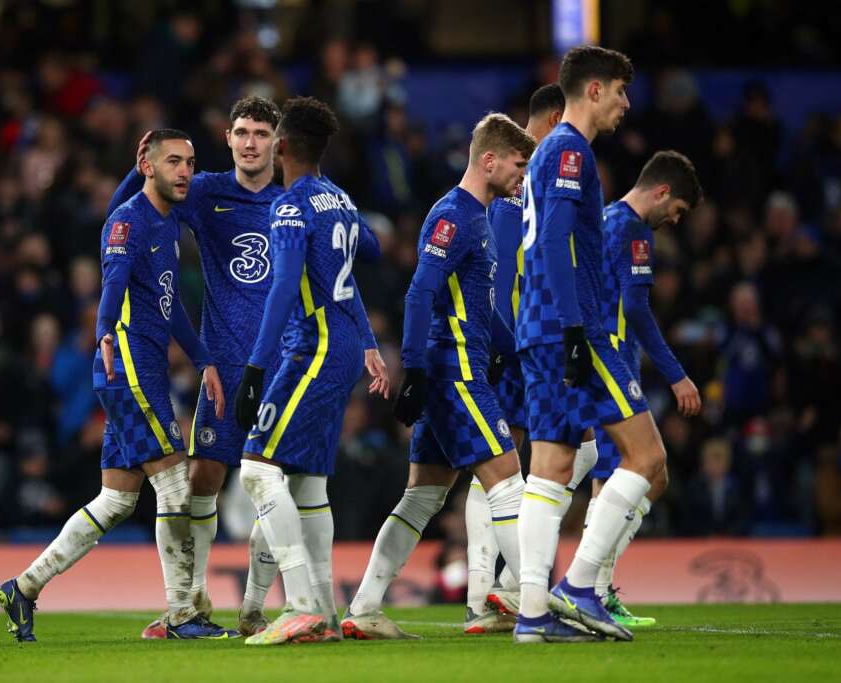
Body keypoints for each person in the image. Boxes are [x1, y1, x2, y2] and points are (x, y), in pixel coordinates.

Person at [0, 129, 235, 642]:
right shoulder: (129, 221)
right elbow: (113, 283)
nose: (186, 171)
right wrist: (104, 329)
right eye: (173, 161)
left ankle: (24, 587)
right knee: (173, 482)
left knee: (118, 499)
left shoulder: (167, 225)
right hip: (128, 365)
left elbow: (169, 310)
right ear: (148, 166)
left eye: (191, 162)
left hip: (144, 365)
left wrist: (203, 360)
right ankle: (182, 615)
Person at [108, 97, 304, 639]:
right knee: (202, 479)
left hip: (283, 366)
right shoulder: (206, 190)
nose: (250, 142)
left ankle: (255, 606)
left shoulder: (296, 199)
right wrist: (142, 161)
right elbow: (129, 211)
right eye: (242, 131)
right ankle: (191, 601)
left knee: (274, 483)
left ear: (277, 142)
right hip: (224, 364)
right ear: (227, 136)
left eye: (261, 134)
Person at [341, 113, 533, 640]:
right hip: (455, 372)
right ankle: (537, 605)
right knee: (509, 486)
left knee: (423, 497)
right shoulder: (454, 214)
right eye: (518, 166)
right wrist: (418, 370)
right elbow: (420, 292)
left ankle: (363, 608)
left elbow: (480, 305)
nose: (522, 177)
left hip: (457, 367)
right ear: (489, 160)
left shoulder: (482, 217)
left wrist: (513, 352)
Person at [232, 96, 390, 646]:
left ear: (282, 147)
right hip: (343, 346)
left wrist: (255, 366)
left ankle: (300, 607)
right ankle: (323, 605)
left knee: (255, 467)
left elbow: (282, 289)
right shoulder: (340, 199)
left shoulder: (290, 205)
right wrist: (369, 340)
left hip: (314, 347)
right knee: (309, 483)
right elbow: (367, 252)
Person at [513, 45, 651, 644]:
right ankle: (581, 584)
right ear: (593, 91)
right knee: (648, 458)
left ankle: (532, 614)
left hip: (537, 327)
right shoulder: (569, 150)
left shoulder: (548, 152)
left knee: (550, 470)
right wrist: (575, 328)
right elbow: (556, 246)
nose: (626, 103)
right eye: (620, 90)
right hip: (573, 327)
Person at [466, 84, 590, 630]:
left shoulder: (538, 184)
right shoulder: (518, 192)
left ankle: (503, 588)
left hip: (531, 339)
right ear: (556, 118)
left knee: (524, 464)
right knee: (506, 467)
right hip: (519, 344)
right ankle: (493, 590)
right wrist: (505, 341)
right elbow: (495, 276)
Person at [589, 149, 703, 627]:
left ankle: (592, 589)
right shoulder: (634, 232)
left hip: (601, 359)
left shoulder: (602, 220)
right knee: (648, 471)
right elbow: (636, 309)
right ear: (661, 192)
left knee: (611, 481)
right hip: (613, 363)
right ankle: (584, 589)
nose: (672, 221)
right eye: (675, 211)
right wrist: (676, 373)